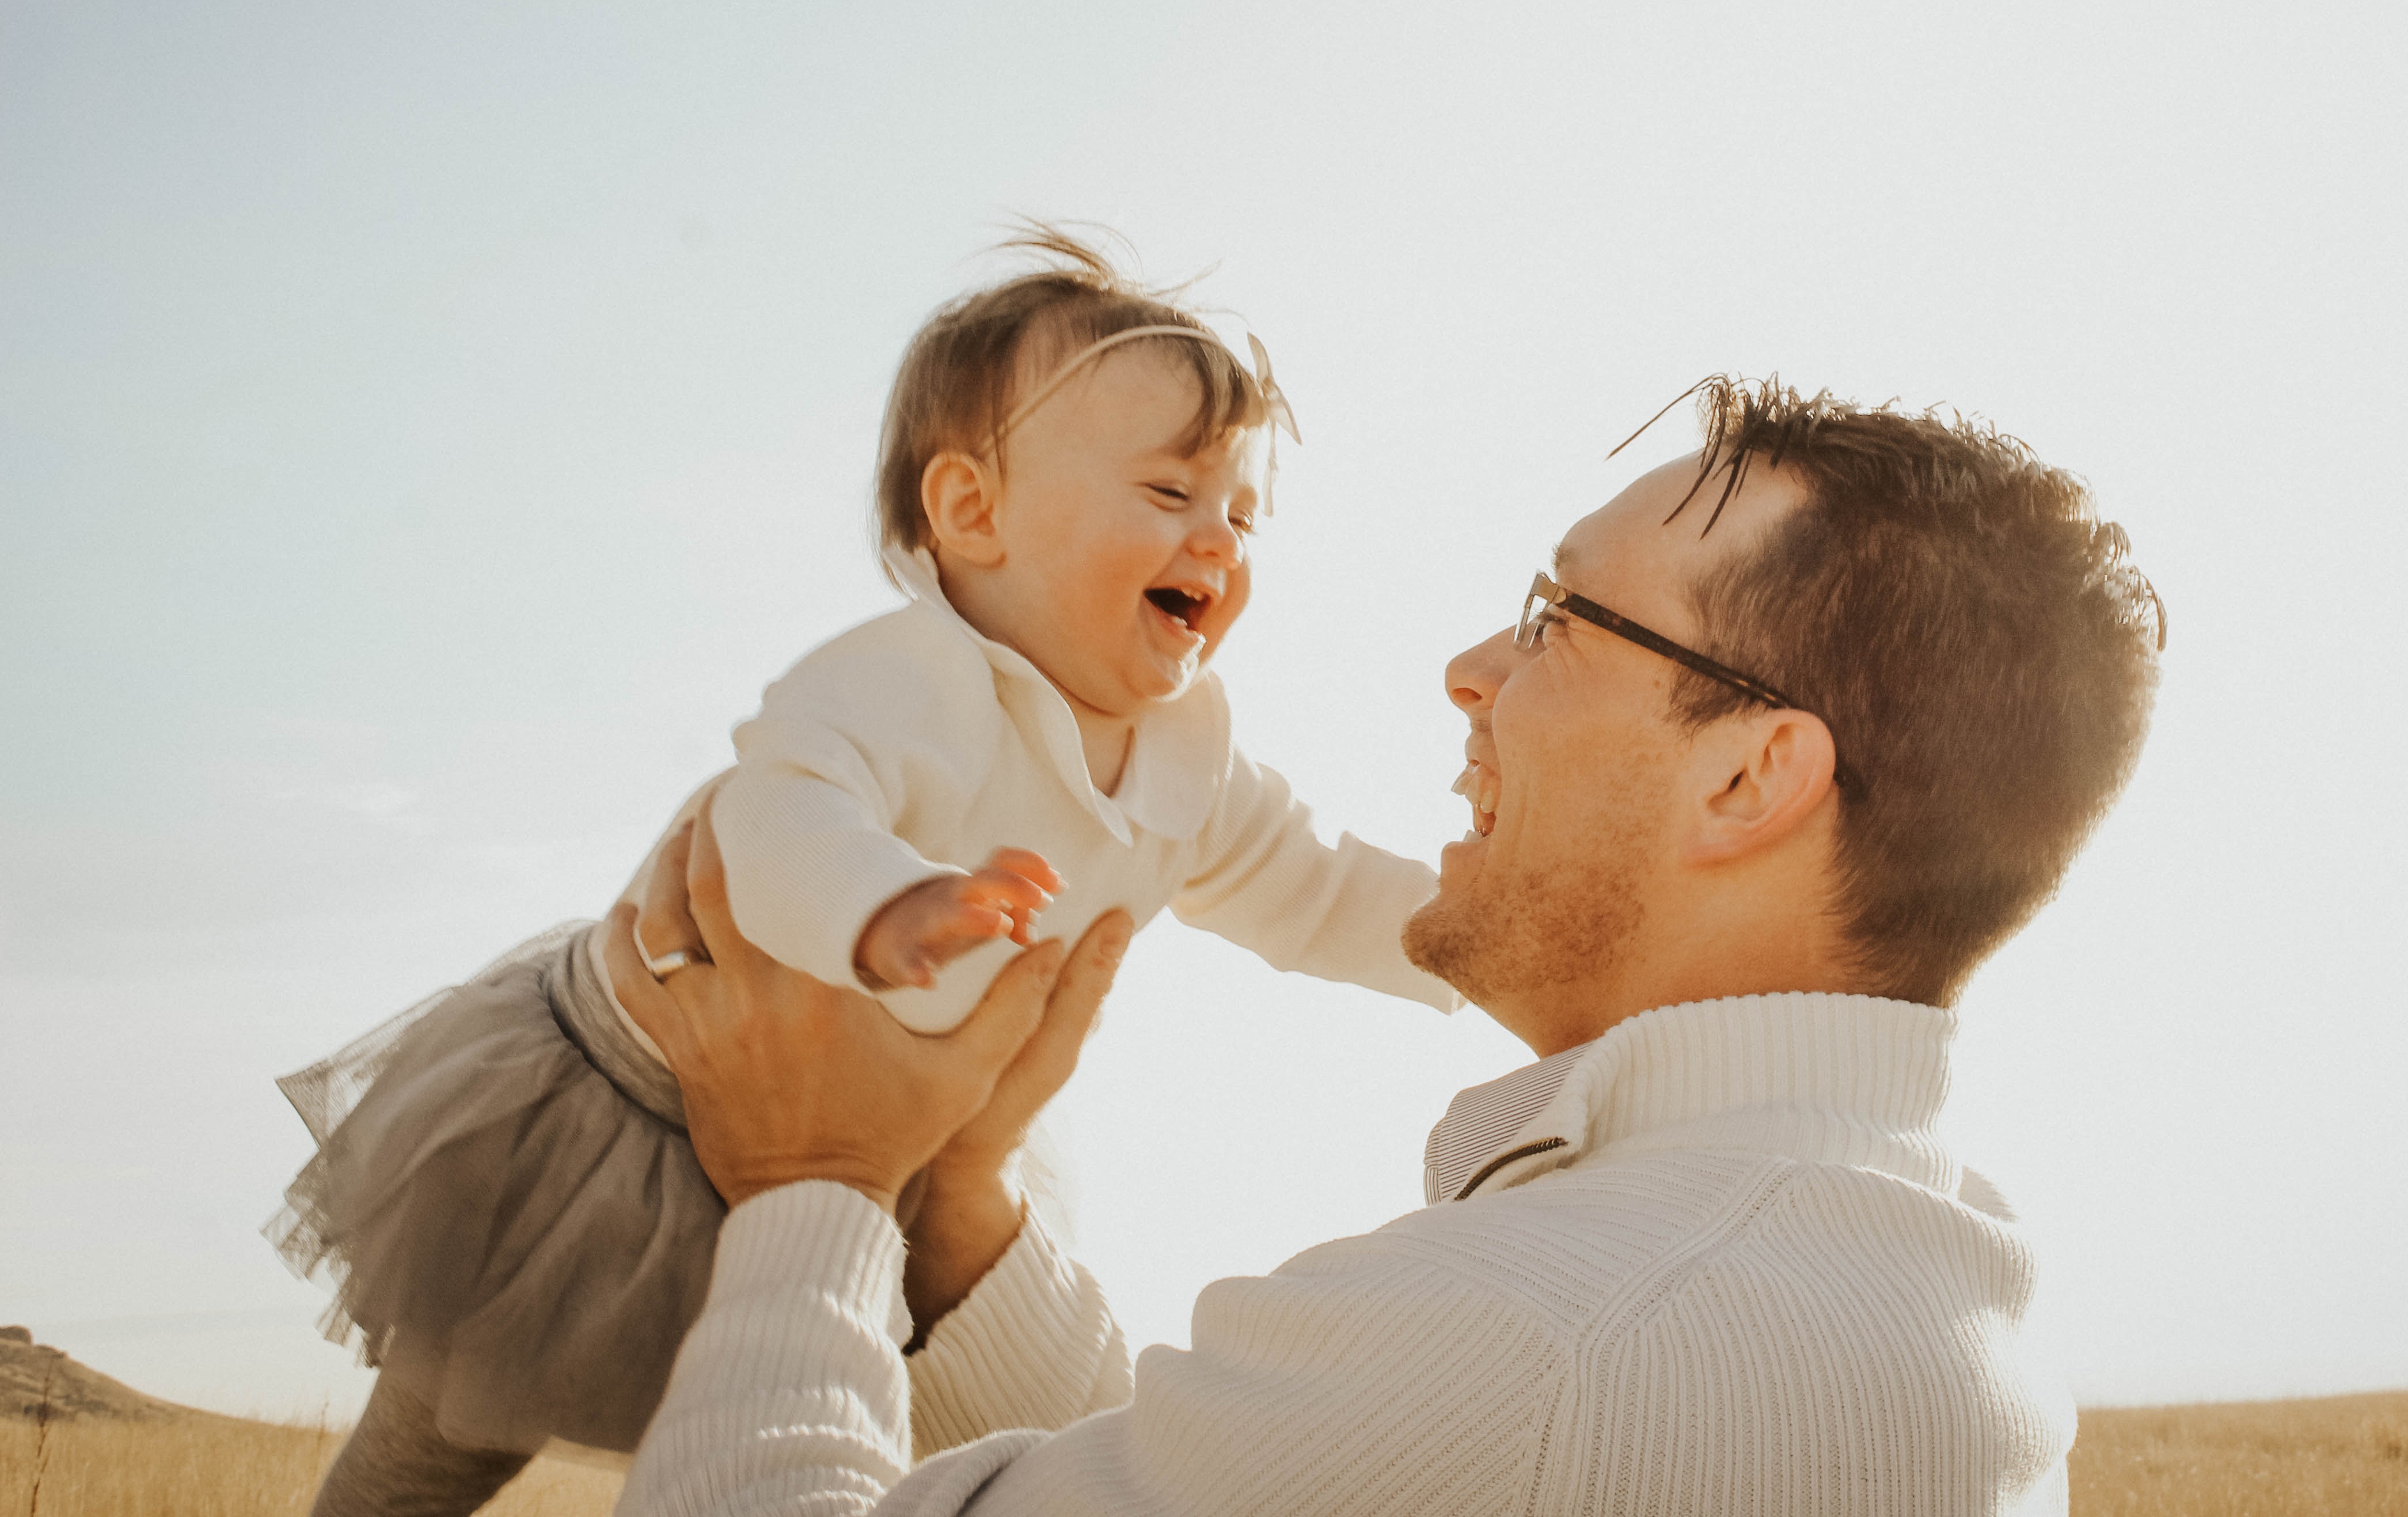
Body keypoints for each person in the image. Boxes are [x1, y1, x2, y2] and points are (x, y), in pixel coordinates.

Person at [605, 377, 2166, 1517]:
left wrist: (813, 1183)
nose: (1470, 669)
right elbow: (1290, 1468)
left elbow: (1479, 1403)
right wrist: (955, 1212)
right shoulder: (1922, 1275)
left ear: (1751, 775)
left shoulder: (1546, 1334)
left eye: (1561, 618)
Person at [266, 230, 1459, 1517]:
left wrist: (1467, 944)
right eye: (1172, 496)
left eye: (1242, 513)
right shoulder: (908, 677)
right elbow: (774, 818)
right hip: (626, 1115)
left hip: (872, 1151)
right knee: (443, 1433)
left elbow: (1319, 890)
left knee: (789, 1419)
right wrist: (884, 904)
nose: (1217, 542)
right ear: (971, 512)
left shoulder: (1193, 761)